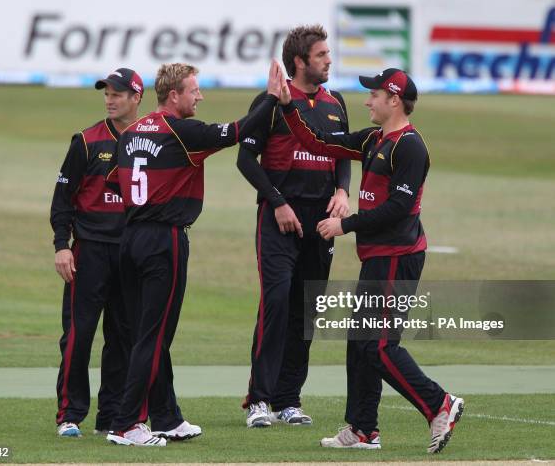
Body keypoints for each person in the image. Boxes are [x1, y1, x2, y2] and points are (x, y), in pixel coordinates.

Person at [277, 68, 464, 453]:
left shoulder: (409, 146)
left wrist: (345, 225)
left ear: (394, 100)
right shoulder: (375, 139)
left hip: (399, 256)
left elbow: (399, 207)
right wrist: (288, 108)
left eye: (374, 95)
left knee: (378, 345)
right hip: (379, 256)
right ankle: (363, 429)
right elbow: (321, 143)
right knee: (360, 342)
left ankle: (438, 404)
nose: (367, 101)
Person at [105, 61, 284, 447]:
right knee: (153, 338)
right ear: (175, 96)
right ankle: (127, 423)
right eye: (194, 90)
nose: (199, 96)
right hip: (163, 241)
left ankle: (166, 417)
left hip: (130, 238)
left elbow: (115, 185)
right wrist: (270, 98)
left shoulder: (131, 131)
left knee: (148, 335)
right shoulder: (182, 131)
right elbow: (239, 132)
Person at [237, 25, 351, 428]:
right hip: (279, 217)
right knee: (277, 301)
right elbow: (245, 160)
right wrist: (278, 202)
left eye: (328, 54)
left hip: (322, 221)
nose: (329, 60)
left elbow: (342, 154)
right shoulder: (271, 101)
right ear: (300, 62)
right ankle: (259, 401)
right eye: (321, 55)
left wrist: (342, 191)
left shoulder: (335, 101)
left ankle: (289, 399)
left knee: (306, 308)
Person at [50, 68, 143, 437]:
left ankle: (112, 416)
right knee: (78, 334)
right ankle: (70, 415)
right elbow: (62, 200)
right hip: (89, 252)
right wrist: (62, 246)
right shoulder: (86, 142)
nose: (110, 98)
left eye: (118, 93)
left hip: (131, 253)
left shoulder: (148, 140)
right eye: (107, 92)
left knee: (123, 336)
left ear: (136, 97)